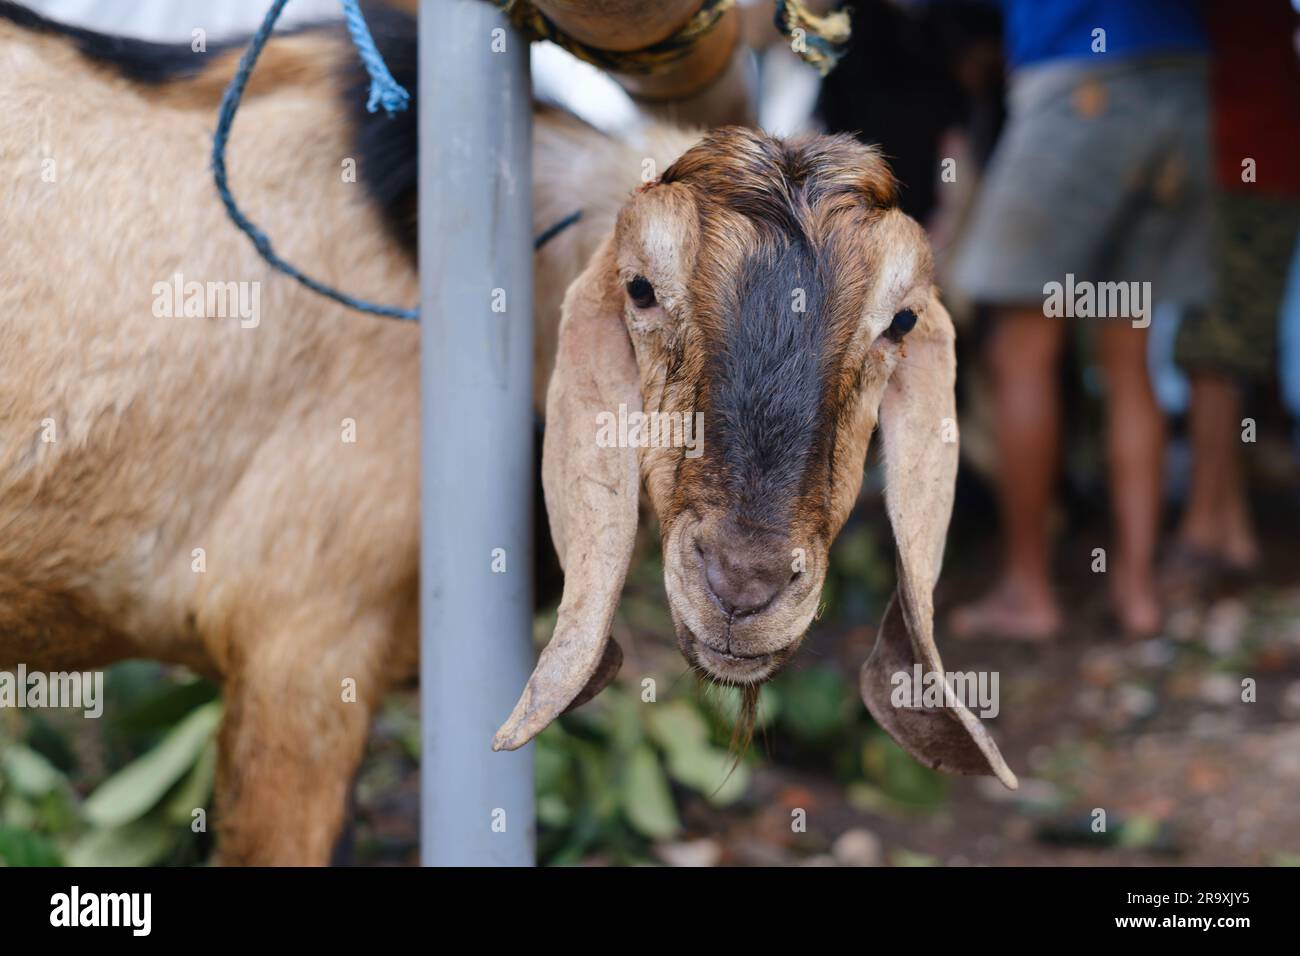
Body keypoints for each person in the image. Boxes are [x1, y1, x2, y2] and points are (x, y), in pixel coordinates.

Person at [947, 0, 1212, 640]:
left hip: (1082, 82)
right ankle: (1137, 592)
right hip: (1181, 77)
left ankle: (1027, 591)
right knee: (1129, 358)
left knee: (1018, 350)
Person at [1168, 0, 1300, 586]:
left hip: (1240, 158)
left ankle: (1203, 531)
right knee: (1222, 344)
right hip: (1252, 155)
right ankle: (1233, 532)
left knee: (1212, 346)